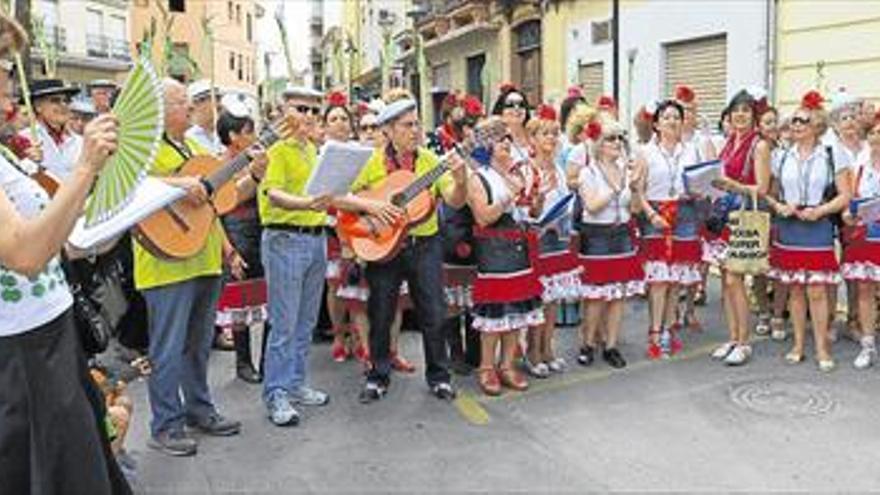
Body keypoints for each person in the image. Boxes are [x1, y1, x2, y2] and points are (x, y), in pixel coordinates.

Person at [0, 32, 129, 490]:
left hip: (47, 335)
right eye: (0, 71)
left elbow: (50, 238)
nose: (9, 90)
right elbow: (25, 255)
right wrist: (86, 167)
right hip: (23, 353)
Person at [136, 79, 242, 456]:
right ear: (159, 110)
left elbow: (220, 202)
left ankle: (199, 409)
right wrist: (180, 184)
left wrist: (254, 174)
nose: (191, 108)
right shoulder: (142, 149)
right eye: (181, 102)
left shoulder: (197, 147)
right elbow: (130, 186)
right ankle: (165, 425)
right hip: (165, 262)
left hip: (205, 257)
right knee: (167, 348)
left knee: (198, 346)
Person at [338, 97, 467, 403]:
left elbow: (454, 200)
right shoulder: (370, 163)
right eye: (407, 125)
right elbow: (343, 199)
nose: (416, 131)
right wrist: (370, 212)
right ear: (389, 130)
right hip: (383, 245)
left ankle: (439, 376)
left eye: (417, 124)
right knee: (380, 312)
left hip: (425, 244)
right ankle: (377, 375)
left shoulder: (431, 163)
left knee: (433, 311)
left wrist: (461, 178)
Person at [259, 85, 333, 426]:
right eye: (301, 109)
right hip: (286, 238)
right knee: (284, 324)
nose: (308, 117)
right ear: (284, 111)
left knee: (305, 322)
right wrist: (309, 203)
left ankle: (295, 382)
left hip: (314, 237)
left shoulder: (312, 150)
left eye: (313, 111)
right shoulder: (277, 148)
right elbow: (273, 194)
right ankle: (276, 393)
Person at [765, 90, 852, 372]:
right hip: (789, 227)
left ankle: (822, 347)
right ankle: (798, 344)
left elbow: (845, 195)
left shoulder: (831, 152)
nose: (796, 125)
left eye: (802, 121)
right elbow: (770, 194)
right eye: (793, 121)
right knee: (795, 291)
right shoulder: (781, 155)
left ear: (816, 125)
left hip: (817, 226)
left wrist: (821, 210)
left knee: (816, 290)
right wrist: (779, 207)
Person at [468, 117, 544, 395]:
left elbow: (533, 214)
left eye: (508, 140)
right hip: (494, 254)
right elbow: (483, 217)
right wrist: (506, 197)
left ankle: (507, 365)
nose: (507, 145)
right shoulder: (478, 177)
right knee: (494, 316)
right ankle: (487, 367)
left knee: (517, 312)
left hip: (520, 252)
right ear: (487, 146)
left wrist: (538, 199)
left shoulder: (516, 173)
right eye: (501, 140)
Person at [705, 89, 772, 366]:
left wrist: (733, 186)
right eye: (736, 111)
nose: (740, 115)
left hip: (744, 218)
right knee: (726, 282)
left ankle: (744, 342)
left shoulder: (759, 145)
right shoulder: (730, 141)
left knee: (735, 280)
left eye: (746, 111)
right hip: (725, 217)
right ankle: (733, 337)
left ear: (754, 116)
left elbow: (763, 188)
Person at [633, 99, 704, 359]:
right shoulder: (645, 152)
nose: (672, 121)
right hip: (657, 213)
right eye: (666, 117)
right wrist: (651, 214)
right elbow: (637, 189)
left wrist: (701, 191)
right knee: (659, 280)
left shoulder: (692, 151)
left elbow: (699, 183)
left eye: (677, 117)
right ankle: (654, 331)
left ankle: (669, 329)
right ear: (656, 124)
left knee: (676, 279)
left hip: (685, 213)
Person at [575, 117, 645, 369]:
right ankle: (588, 344)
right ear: (598, 144)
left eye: (620, 138)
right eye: (611, 138)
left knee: (617, 296)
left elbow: (635, 208)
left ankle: (612, 345)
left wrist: (636, 187)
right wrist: (616, 188)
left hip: (623, 236)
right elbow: (591, 206)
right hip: (597, 237)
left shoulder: (626, 172)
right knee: (595, 297)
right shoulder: (588, 172)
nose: (617, 143)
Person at [214, 106, 269, 384]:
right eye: (248, 131)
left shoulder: (259, 157)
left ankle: (267, 361)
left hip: (262, 227)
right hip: (235, 231)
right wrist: (229, 251)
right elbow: (222, 207)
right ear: (233, 136)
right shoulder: (220, 164)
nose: (254, 136)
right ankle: (244, 362)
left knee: (270, 298)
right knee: (240, 300)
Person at [524, 104, 579, 376]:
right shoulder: (526, 169)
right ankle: (532, 353)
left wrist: (561, 219)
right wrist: (539, 221)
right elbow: (523, 208)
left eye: (555, 133)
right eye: (545, 133)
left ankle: (549, 349)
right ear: (532, 139)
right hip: (537, 239)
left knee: (553, 298)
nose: (551, 138)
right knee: (538, 300)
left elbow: (566, 202)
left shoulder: (558, 169)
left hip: (559, 235)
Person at [841, 110, 880, 369]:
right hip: (866, 234)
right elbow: (849, 202)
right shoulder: (860, 167)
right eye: (875, 132)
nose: (878, 136)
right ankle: (868, 344)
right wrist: (847, 215)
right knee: (865, 288)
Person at [20, 78, 82, 181]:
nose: (64, 105)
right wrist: (27, 162)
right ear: (38, 106)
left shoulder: (81, 142)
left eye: (67, 100)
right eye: (55, 100)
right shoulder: (23, 139)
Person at [185, 79, 224, 155]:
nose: (220, 105)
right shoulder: (188, 138)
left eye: (219, 99)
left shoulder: (227, 133)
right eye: (216, 99)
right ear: (198, 103)